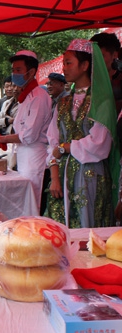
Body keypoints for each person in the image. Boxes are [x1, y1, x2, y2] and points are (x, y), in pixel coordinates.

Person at [44, 39, 117, 228]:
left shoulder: (101, 102)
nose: (64, 68)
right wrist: (54, 178)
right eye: (63, 63)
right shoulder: (63, 102)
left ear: (85, 65)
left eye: (69, 63)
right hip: (60, 177)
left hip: (90, 176)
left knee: (88, 225)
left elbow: (100, 144)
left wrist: (66, 147)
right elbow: (52, 141)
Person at [0, 50, 52, 212]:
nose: (14, 74)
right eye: (13, 70)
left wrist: (2, 139)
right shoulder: (25, 97)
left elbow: (29, 136)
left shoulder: (39, 97)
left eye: (18, 70)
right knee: (25, 204)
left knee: (33, 206)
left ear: (31, 72)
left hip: (35, 159)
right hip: (23, 157)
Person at [90, 32, 122, 114]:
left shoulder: (119, 81)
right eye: (92, 56)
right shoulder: (89, 82)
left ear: (115, 55)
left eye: (100, 56)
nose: (95, 61)